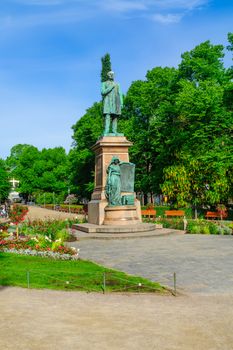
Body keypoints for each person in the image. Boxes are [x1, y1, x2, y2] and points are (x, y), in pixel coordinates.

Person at [101, 71, 123, 135]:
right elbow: (103, 92)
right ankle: (106, 130)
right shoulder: (104, 83)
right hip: (108, 101)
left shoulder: (117, 84)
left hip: (116, 101)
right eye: (110, 74)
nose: (112, 75)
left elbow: (120, 93)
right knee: (108, 115)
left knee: (115, 116)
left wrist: (121, 102)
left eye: (113, 74)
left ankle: (114, 131)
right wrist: (110, 87)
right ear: (108, 75)